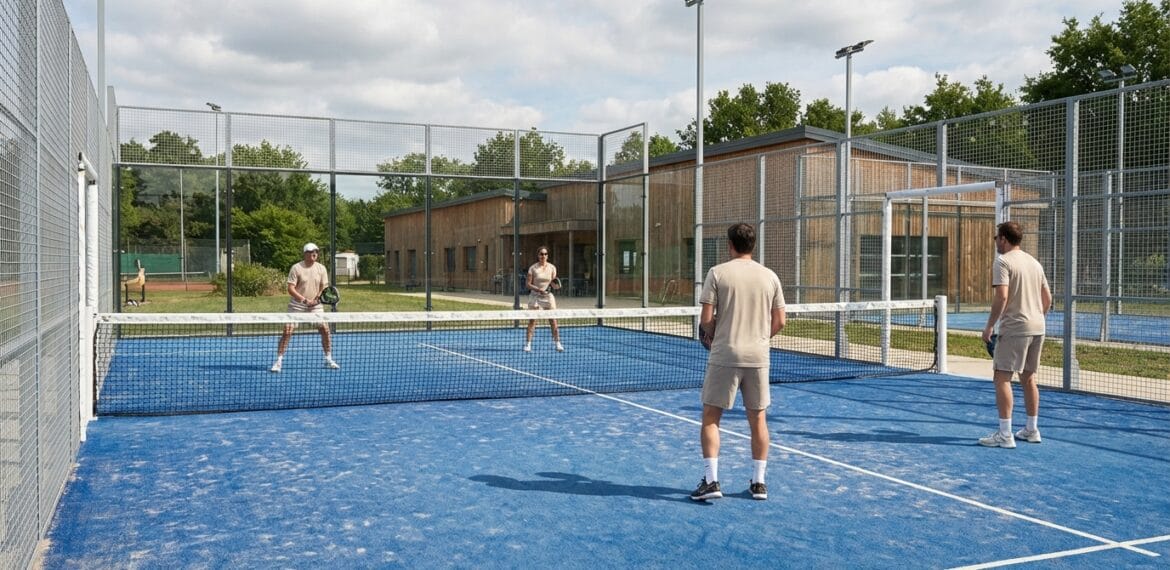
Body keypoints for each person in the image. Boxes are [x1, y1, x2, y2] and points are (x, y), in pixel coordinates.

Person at [691, 223, 785, 501]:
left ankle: (711, 482)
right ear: (752, 245)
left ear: (730, 245)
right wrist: (757, 338)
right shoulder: (770, 276)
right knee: (758, 420)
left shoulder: (717, 273)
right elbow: (780, 321)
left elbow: (706, 320)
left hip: (725, 355)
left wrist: (714, 336)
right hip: (758, 357)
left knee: (711, 418)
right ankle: (758, 484)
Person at [979, 221, 1052, 448]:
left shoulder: (1002, 261)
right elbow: (1047, 299)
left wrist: (990, 326)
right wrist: (1035, 318)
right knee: (1029, 378)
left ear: (1003, 239)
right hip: (1038, 327)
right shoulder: (1035, 263)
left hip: (1015, 328)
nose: (996, 243)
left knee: (1001, 377)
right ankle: (1031, 429)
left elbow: (1001, 297)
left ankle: (1005, 434)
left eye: (996, 238)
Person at [270, 243, 340, 372]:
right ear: (305, 253)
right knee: (287, 331)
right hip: (297, 305)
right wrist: (304, 300)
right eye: (311, 251)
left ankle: (328, 359)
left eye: (316, 252)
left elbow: (324, 288)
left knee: (325, 330)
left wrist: (316, 300)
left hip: (315, 306)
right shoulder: (296, 268)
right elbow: (290, 288)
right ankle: (278, 361)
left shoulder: (321, 268)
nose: (314, 253)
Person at [524, 246, 564, 352]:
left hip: (548, 297)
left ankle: (558, 343)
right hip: (535, 296)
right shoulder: (533, 268)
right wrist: (537, 289)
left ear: (547, 256)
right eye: (541, 254)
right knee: (532, 321)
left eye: (545, 254)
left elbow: (553, 282)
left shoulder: (552, 268)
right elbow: (528, 284)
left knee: (553, 321)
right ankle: (528, 344)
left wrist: (555, 287)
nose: (543, 256)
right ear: (538, 255)